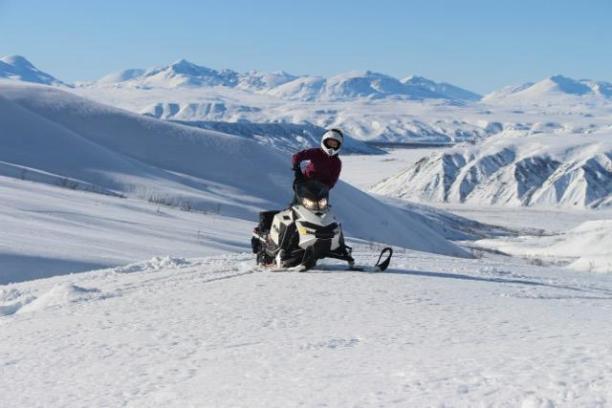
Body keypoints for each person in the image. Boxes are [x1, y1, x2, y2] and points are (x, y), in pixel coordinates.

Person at [291, 128, 343, 193]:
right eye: (330, 143)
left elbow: (333, 179)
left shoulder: (337, 162)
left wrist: (327, 187)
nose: (331, 147)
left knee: (325, 203)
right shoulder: (316, 152)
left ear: (338, 146)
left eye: (334, 144)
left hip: (321, 189)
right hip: (305, 182)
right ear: (324, 141)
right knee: (297, 201)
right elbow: (297, 156)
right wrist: (297, 168)